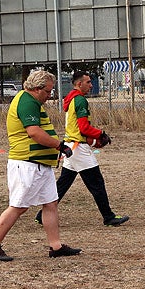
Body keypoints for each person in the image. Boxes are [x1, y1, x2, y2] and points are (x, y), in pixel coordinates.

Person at [0, 70, 82, 261]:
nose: (49, 95)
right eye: (48, 91)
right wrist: (59, 146)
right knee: (18, 206)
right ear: (37, 89)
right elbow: (34, 132)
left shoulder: (32, 101)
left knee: (50, 203)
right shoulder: (27, 102)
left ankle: (56, 246)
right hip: (26, 163)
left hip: (39, 164)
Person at [33, 71, 128, 227]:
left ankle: (41, 216)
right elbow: (84, 128)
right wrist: (101, 134)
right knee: (97, 183)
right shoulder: (80, 100)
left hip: (71, 145)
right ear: (79, 84)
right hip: (78, 148)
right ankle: (109, 217)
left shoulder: (71, 99)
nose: (91, 85)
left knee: (62, 184)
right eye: (88, 82)